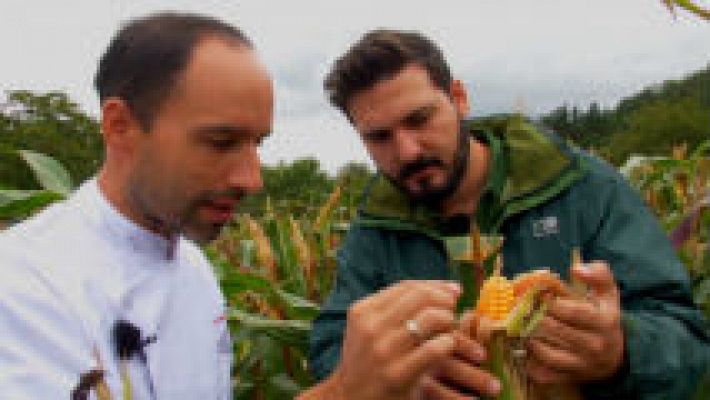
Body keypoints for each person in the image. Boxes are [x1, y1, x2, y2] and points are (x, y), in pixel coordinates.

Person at [307, 29, 710, 399]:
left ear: (458, 98)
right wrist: (400, 378)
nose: (408, 151)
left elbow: (687, 341)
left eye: (419, 119)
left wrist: (623, 351)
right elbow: (331, 349)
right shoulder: (374, 231)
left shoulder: (585, 189)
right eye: (380, 137)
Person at [0, 12, 271, 398]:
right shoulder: (25, 288)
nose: (252, 179)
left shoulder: (195, 270)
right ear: (120, 126)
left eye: (258, 143)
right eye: (221, 142)